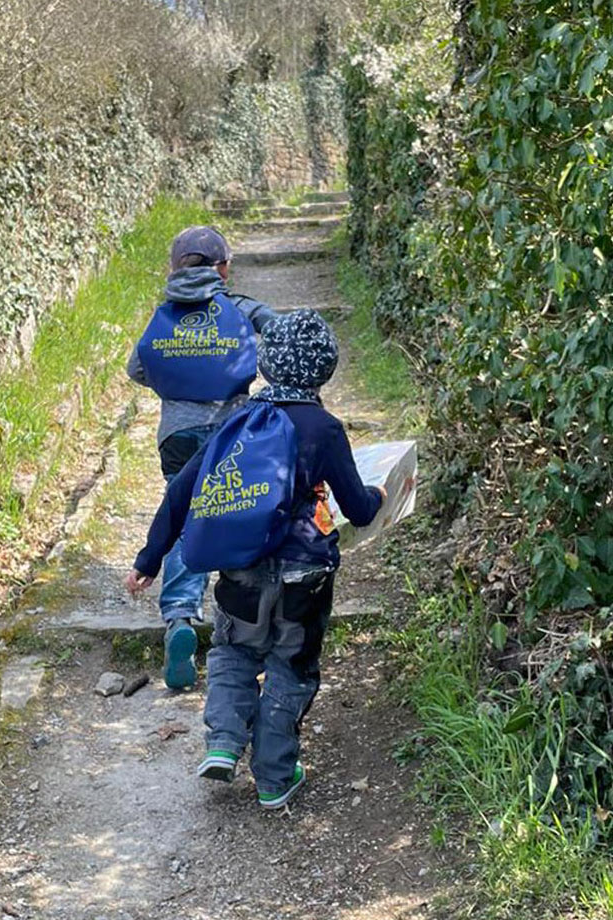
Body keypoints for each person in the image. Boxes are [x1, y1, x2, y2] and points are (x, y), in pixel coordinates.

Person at [125, 310, 385, 809]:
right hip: (302, 577)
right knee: (291, 665)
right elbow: (358, 508)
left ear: (266, 364)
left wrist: (150, 558)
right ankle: (273, 776)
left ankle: (222, 740)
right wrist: (383, 491)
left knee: (233, 653)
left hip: (240, 570)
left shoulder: (236, 422)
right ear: (325, 367)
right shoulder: (324, 428)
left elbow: (183, 491)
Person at [126, 226, 276, 691]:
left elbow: (136, 368)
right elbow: (280, 332)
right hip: (230, 430)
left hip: (176, 433)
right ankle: (241, 619)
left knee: (185, 518)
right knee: (234, 509)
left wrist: (179, 385)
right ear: (223, 268)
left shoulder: (164, 313)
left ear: (175, 268)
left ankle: (179, 621)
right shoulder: (240, 307)